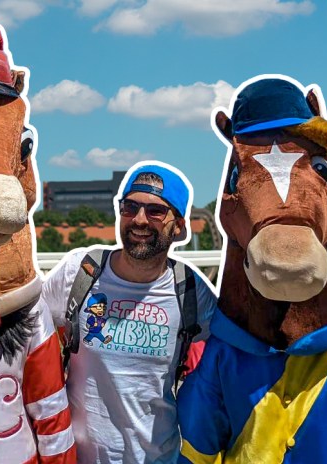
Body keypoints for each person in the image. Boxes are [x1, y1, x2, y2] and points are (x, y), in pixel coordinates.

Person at [39, 161, 218, 463]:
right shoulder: (79, 273)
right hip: (77, 458)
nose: (139, 219)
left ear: (180, 226)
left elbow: (231, 359)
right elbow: (26, 340)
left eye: (156, 211)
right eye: (129, 207)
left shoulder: (189, 290)